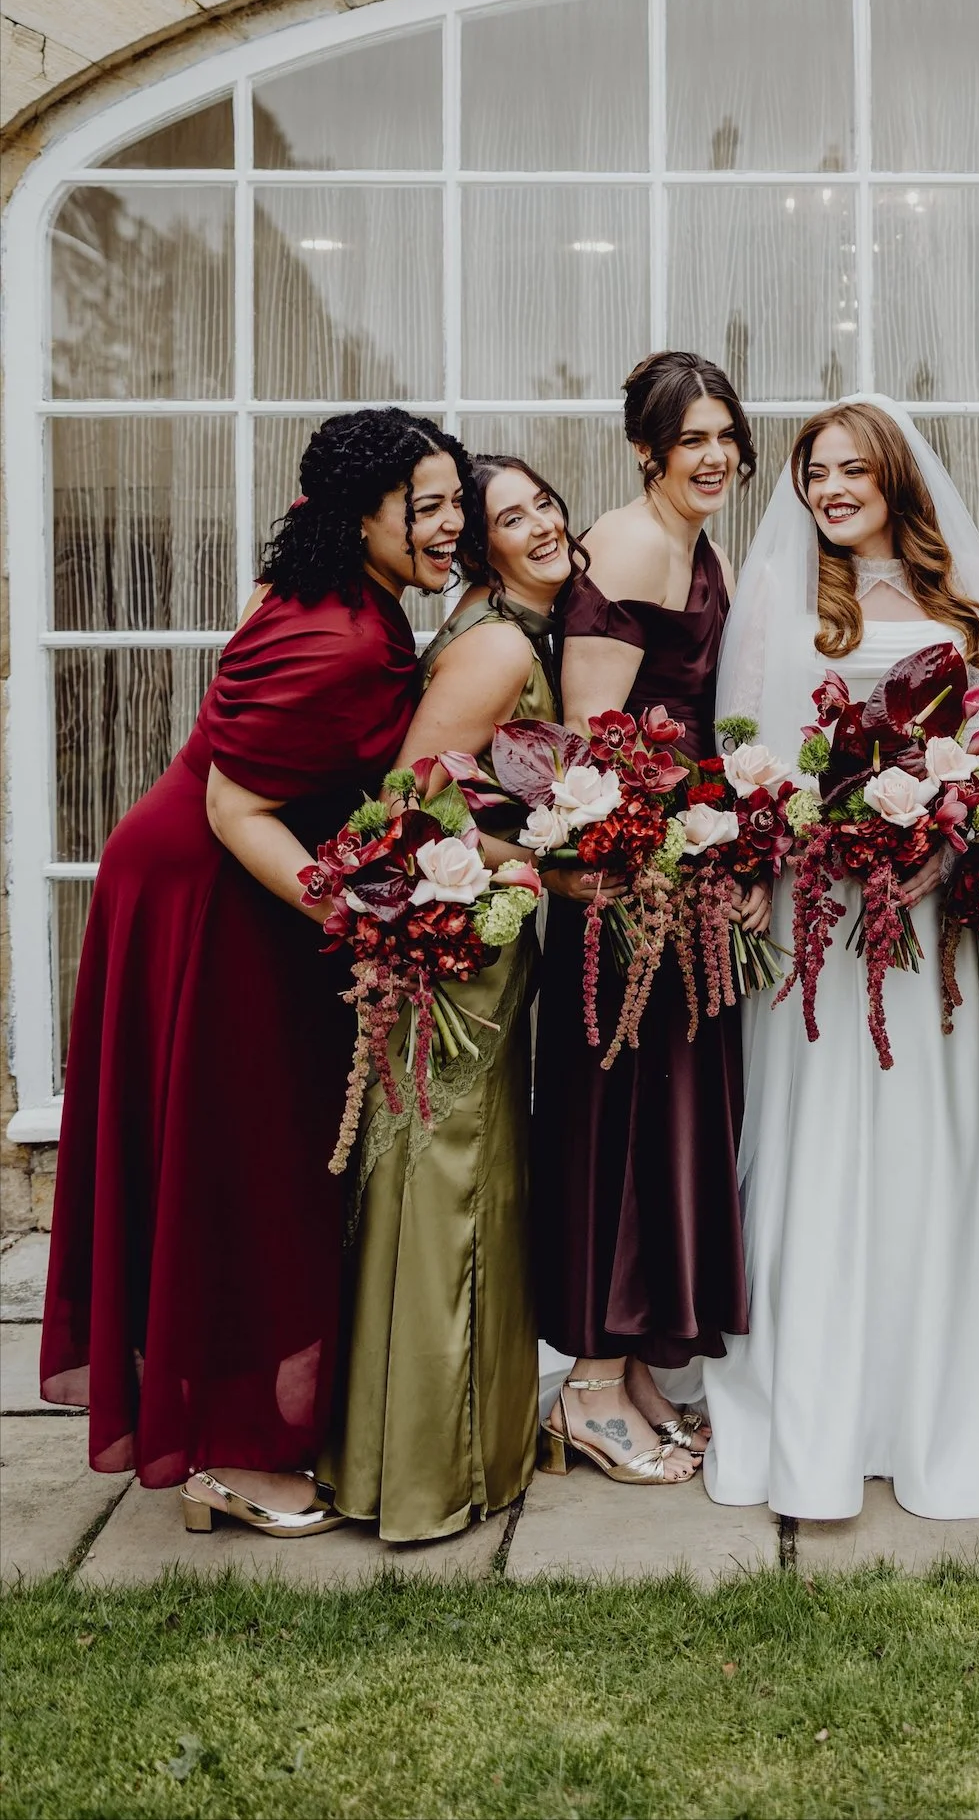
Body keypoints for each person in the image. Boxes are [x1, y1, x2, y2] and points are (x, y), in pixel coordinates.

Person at [41, 409, 471, 1536]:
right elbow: (236, 804)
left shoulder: (326, 575)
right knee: (240, 1170)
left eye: (452, 497)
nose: (451, 521)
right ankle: (231, 1449)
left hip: (245, 889)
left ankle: (253, 1419)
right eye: (424, 505)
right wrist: (367, 916)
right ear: (359, 517)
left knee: (260, 1161)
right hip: (208, 895)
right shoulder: (334, 633)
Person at [701, 399, 979, 1522]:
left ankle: (929, 1393)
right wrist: (828, 835)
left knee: (931, 1133)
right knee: (818, 1130)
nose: (830, 488)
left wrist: (945, 833)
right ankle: (815, 1398)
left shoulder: (959, 600)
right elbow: (752, 757)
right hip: (818, 910)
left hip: (927, 913)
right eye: (814, 471)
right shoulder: (781, 595)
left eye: (851, 468)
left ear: (894, 477)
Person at [324, 455, 575, 1543]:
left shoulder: (504, 619)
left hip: (476, 940)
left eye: (545, 503)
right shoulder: (501, 642)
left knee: (460, 1178)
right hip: (462, 944)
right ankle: (425, 1468)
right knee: (447, 1187)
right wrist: (536, 864)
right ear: (480, 546)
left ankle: (464, 1439)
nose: (540, 524)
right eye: (507, 518)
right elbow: (409, 796)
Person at [532, 353, 765, 1486]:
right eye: (691, 436)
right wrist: (691, 836)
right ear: (645, 447)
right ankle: (584, 1383)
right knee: (615, 1125)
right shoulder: (627, 542)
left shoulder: (698, 536)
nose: (714, 452)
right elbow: (595, 736)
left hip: (682, 875)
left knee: (662, 1124)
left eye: (726, 431)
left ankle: (631, 1370)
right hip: (629, 888)